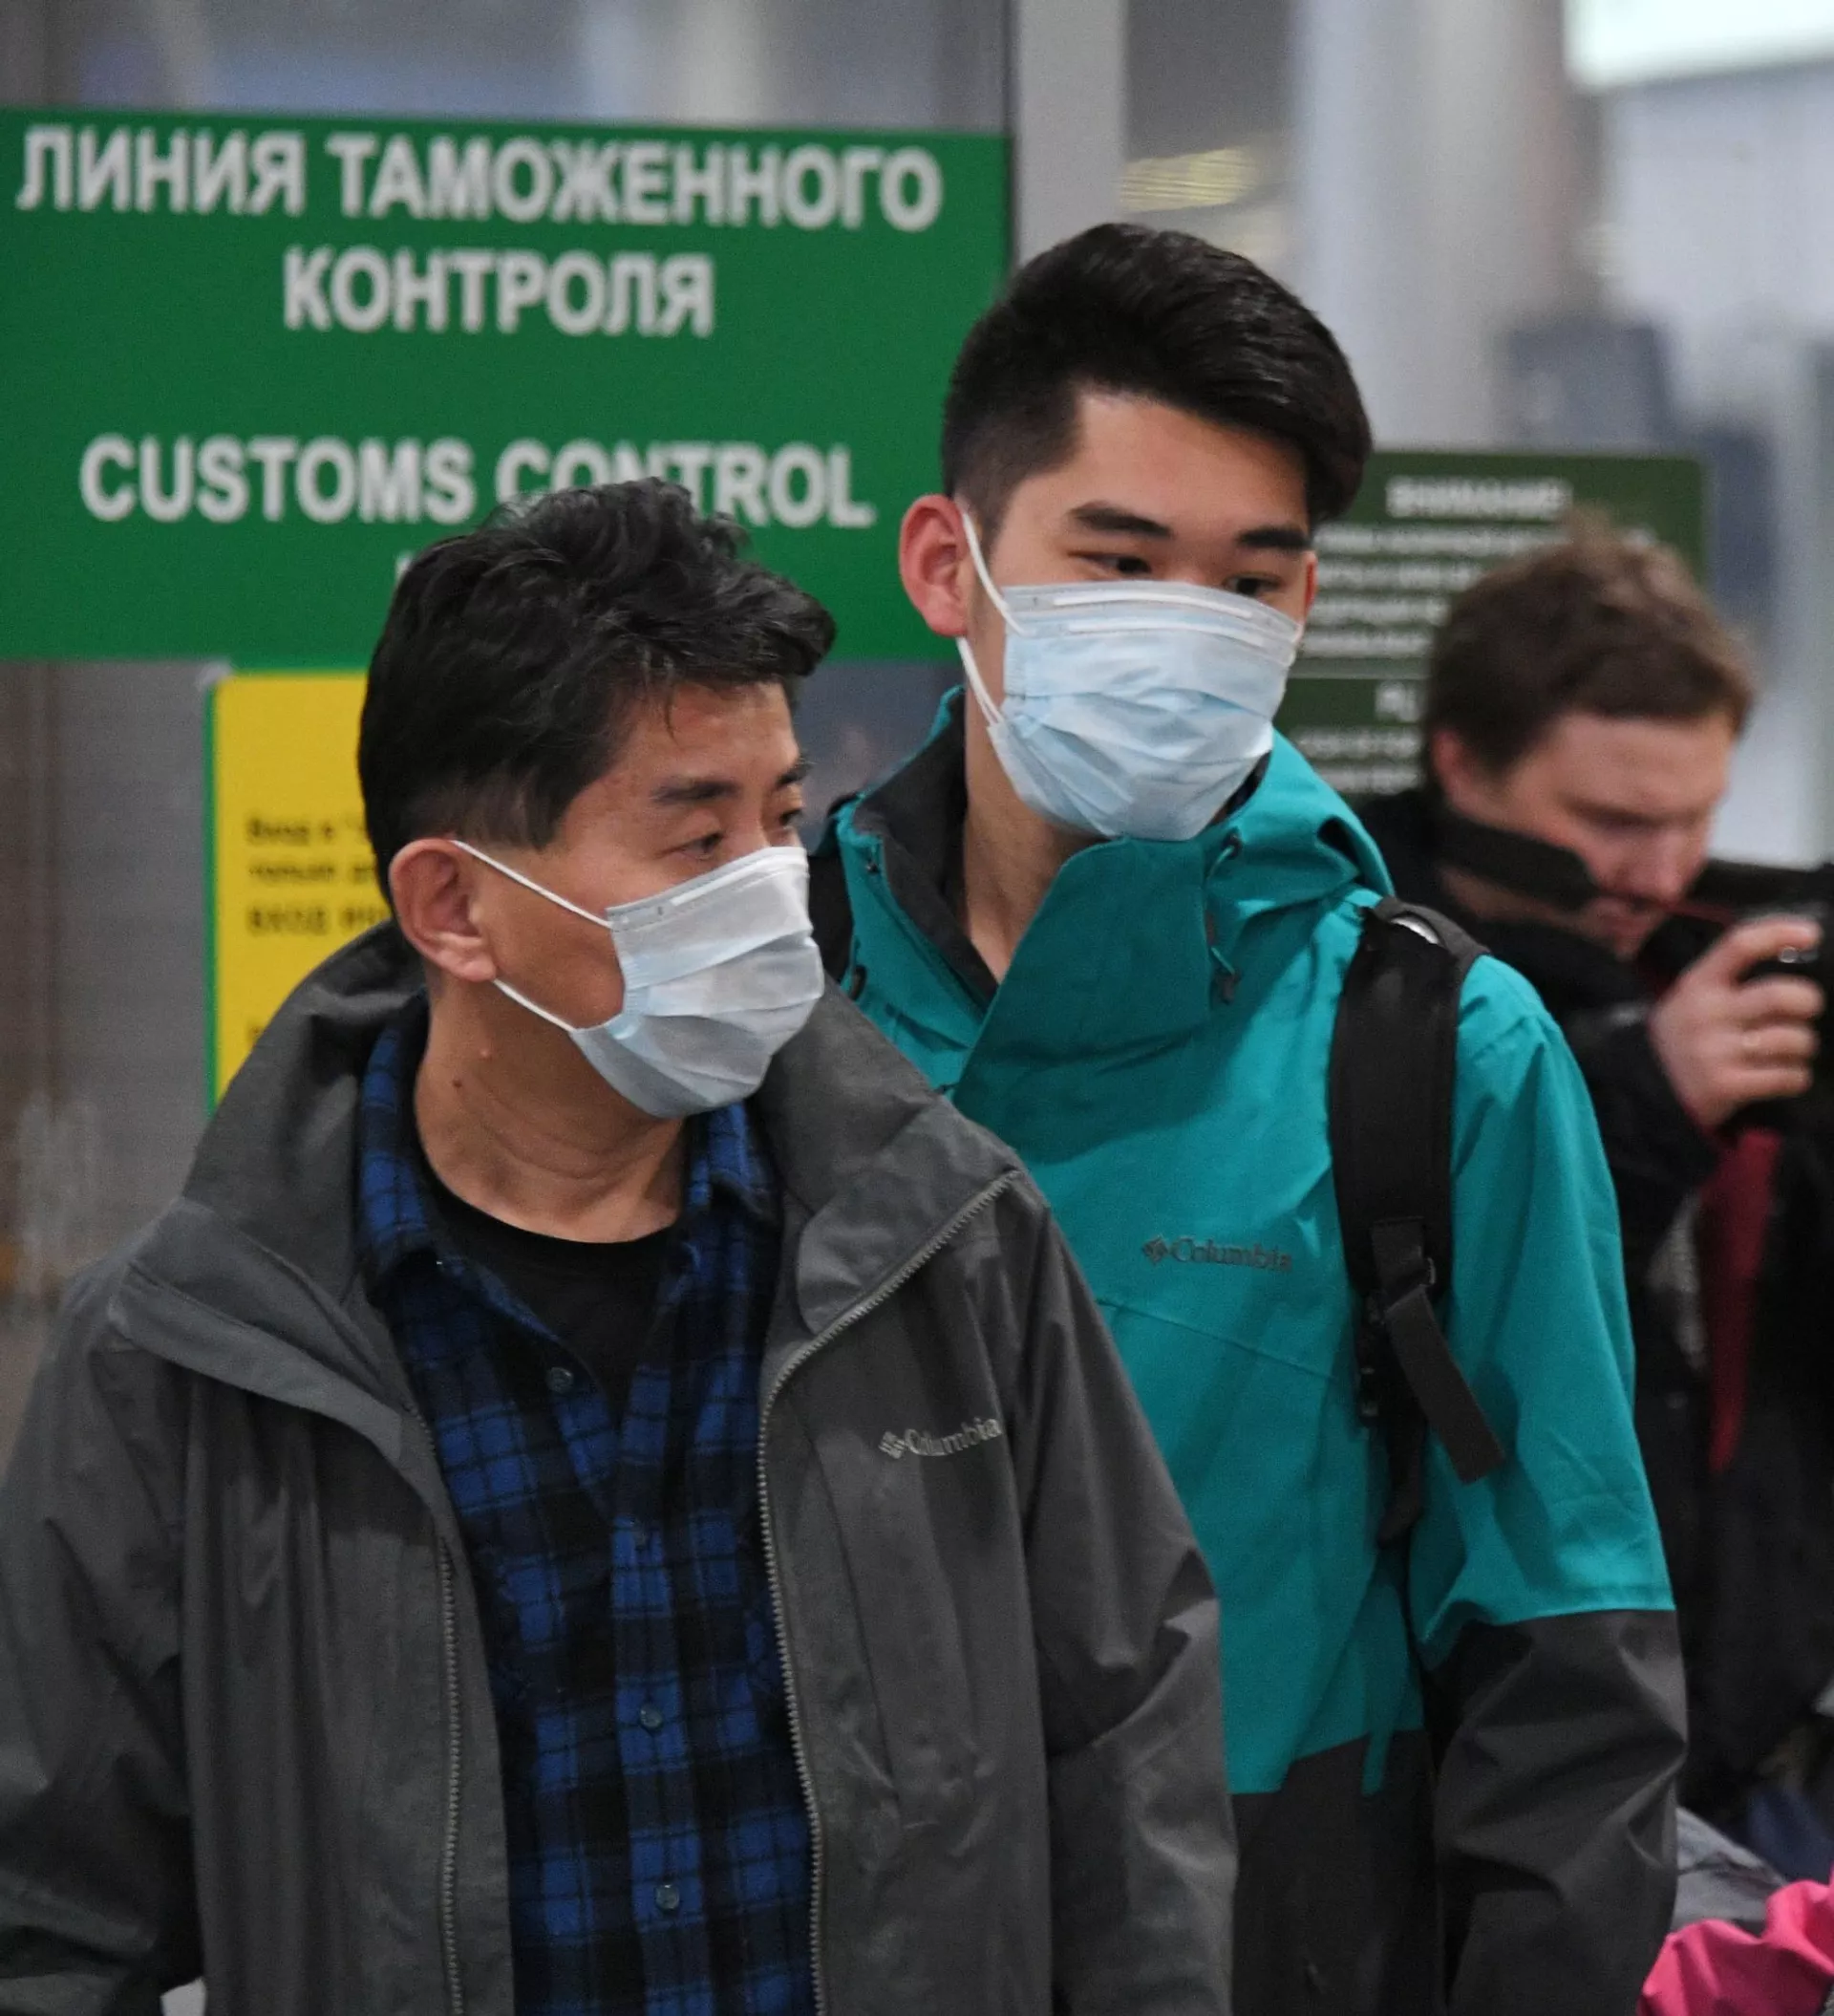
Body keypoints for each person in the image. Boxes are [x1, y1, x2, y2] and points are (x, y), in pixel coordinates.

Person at [0, 482, 1235, 2016]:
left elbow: (1130, 1751)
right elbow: (52, 1918)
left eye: (780, 819)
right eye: (694, 836)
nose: (771, 892)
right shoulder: (196, 1353)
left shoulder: (945, 1244)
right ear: (455, 905)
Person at [814, 224, 1684, 2014]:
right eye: (1119, 561)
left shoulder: (1436, 1051)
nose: (1185, 632)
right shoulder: (778, 1005)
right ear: (948, 563)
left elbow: (1569, 1667)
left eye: (1248, 581)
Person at [1360, 528, 1834, 1860]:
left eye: (1697, 818)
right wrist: (1643, 1100)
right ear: (1463, 764)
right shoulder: (1349, 972)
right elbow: (1421, 1337)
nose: (1660, 872)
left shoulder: (1711, 949)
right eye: (1614, 825)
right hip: (1478, 1758)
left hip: (1756, 1743)